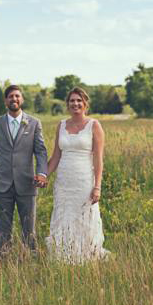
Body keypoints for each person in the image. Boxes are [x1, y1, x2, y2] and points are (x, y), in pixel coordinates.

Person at [45, 86, 109, 263]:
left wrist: (97, 186)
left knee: (84, 218)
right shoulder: (61, 125)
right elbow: (56, 156)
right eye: (72, 100)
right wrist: (44, 175)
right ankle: (63, 257)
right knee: (63, 217)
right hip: (64, 183)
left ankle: (86, 257)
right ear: (67, 104)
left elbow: (98, 159)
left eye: (79, 100)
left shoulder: (94, 125)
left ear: (85, 104)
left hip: (84, 182)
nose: (75, 103)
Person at [0, 84, 48, 255]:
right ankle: (4, 259)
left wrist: (41, 173)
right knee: (2, 230)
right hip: (2, 184)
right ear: (5, 100)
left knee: (29, 229)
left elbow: (40, 151)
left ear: (22, 99)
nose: (14, 99)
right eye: (10, 96)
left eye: (17, 96)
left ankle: (32, 260)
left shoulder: (34, 123)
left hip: (27, 184)